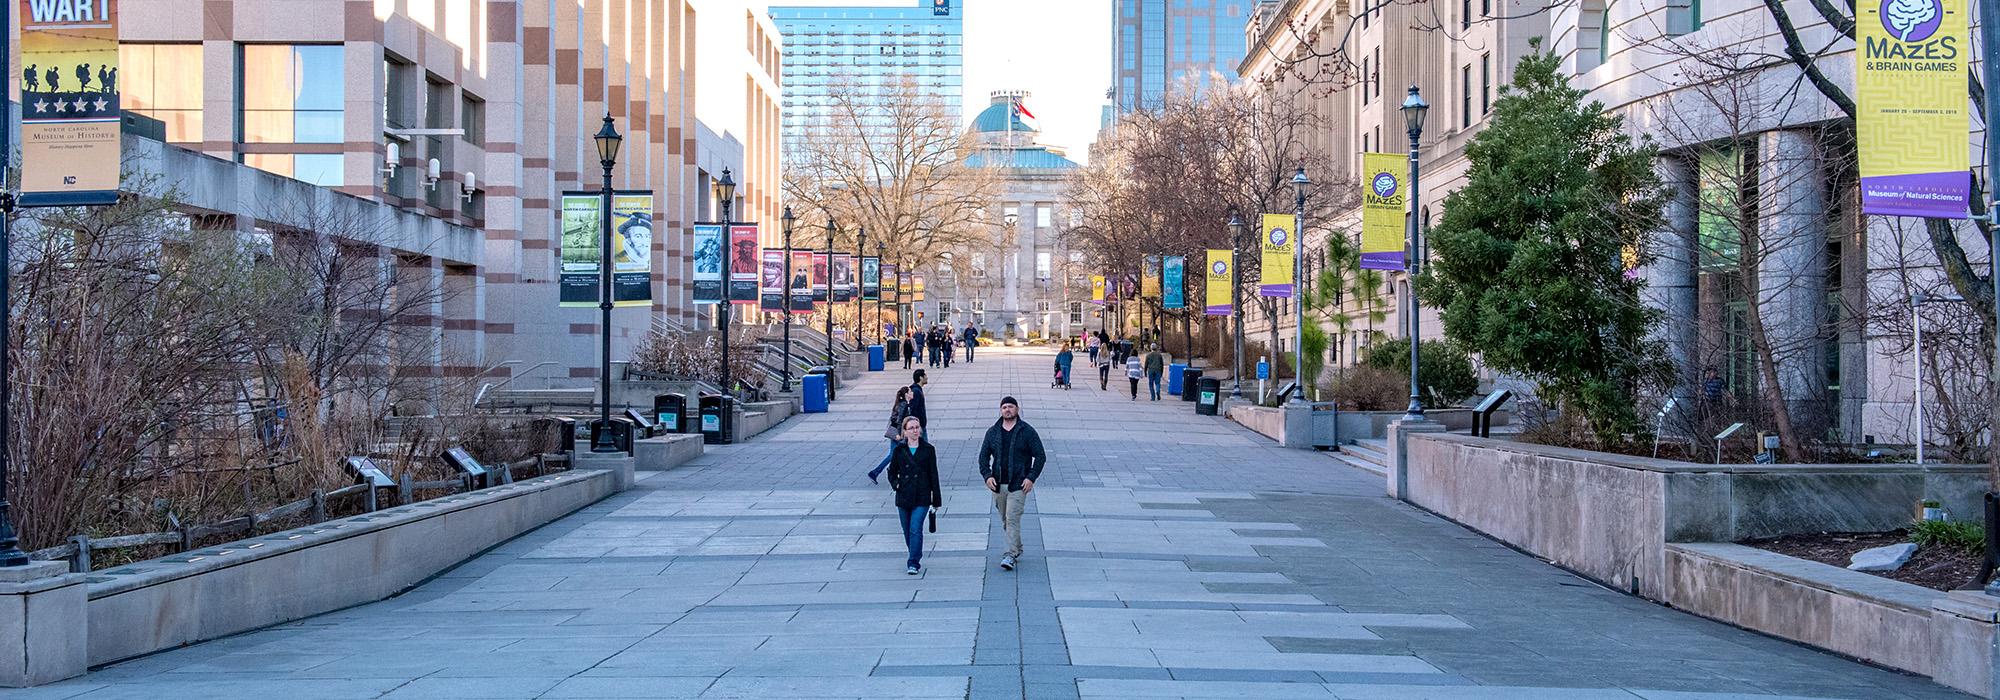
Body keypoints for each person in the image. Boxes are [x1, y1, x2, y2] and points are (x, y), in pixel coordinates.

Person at [979, 396, 1045, 571]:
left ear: (1017, 409)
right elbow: (983, 456)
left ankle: (1010, 554)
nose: (1007, 410)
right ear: (1000, 410)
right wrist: (987, 475)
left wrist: (1031, 477)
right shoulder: (992, 432)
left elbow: (1040, 456)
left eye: (1011, 407)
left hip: (1018, 484)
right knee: (1005, 519)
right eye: (1004, 407)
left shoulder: (1027, 431)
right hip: (998, 484)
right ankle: (1017, 547)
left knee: (1012, 518)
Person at [887, 415, 942, 575]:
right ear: (904, 431)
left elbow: (934, 475)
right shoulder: (899, 450)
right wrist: (896, 485)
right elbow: (892, 472)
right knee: (907, 531)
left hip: (922, 495)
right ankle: (914, 552)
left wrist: (936, 499)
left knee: (915, 528)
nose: (915, 430)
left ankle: (913, 562)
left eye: (917, 427)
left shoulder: (928, 449)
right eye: (911, 428)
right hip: (903, 496)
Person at [868, 387, 912, 483]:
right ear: (906, 395)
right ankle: (891, 473)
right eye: (910, 392)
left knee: (893, 455)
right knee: (898, 454)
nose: (912, 393)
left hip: (897, 433)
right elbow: (899, 420)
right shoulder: (903, 404)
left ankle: (876, 472)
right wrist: (900, 435)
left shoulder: (902, 404)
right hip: (898, 434)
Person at [907, 369, 929, 439]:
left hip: (920, 424)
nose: (927, 377)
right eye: (925, 376)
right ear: (921, 378)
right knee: (923, 448)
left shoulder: (917, 390)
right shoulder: (916, 391)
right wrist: (916, 426)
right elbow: (913, 409)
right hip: (919, 425)